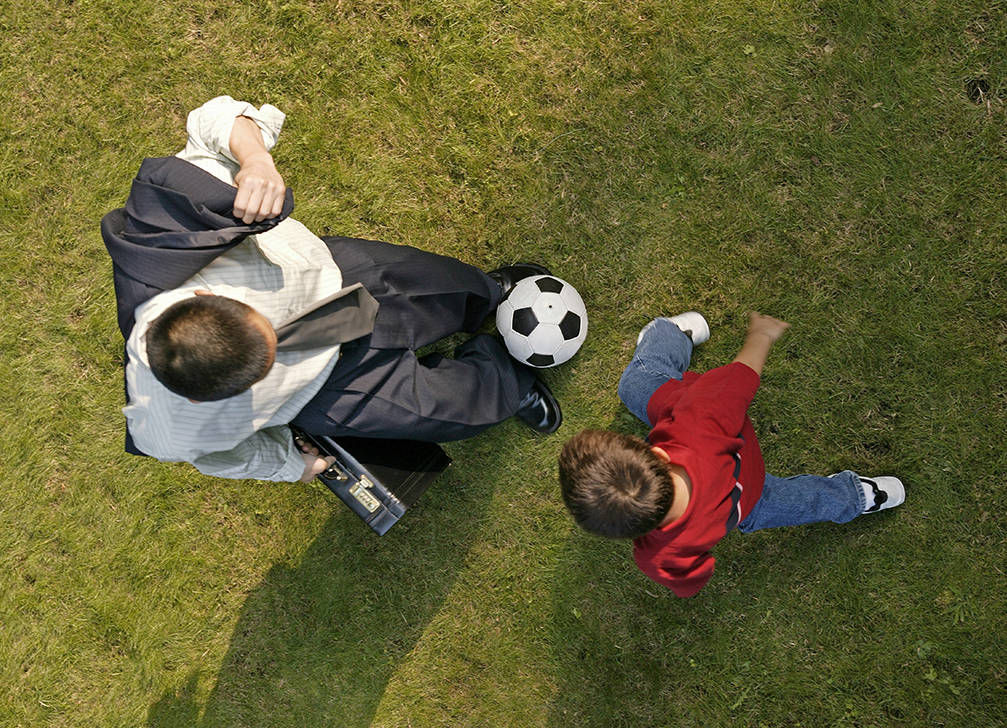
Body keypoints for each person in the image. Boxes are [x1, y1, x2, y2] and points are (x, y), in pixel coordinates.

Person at [103, 96, 561, 485]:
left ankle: (488, 296)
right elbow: (218, 457)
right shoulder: (169, 427)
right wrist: (289, 464)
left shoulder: (169, 242)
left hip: (333, 281)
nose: (286, 343)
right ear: (202, 400)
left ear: (206, 296)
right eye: (266, 366)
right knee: (454, 412)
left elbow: (211, 121)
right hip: (328, 389)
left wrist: (256, 159)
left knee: (443, 286)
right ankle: (507, 382)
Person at [558, 311, 905, 597]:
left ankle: (859, 496)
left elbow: (691, 580)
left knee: (802, 502)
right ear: (658, 455)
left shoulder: (658, 556)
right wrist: (762, 336)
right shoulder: (699, 421)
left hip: (745, 506)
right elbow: (738, 380)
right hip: (733, 455)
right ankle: (671, 333)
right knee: (635, 382)